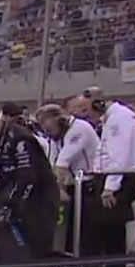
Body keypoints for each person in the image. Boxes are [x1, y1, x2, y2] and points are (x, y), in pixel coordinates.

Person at [0, 103, 60, 258]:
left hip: (41, 196)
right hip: (19, 193)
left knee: (35, 244)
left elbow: (28, 176)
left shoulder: (20, 138)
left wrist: (11, 205)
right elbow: (5, 176)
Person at [85, 89, 135, 267]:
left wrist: (110, 187)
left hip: (119, 177)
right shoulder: (120, 117)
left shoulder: (118, 120)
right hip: (118, 176)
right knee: (110, 233)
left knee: (109, 232)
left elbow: (119, 155)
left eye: (86, 109)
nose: (87, 114)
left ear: (98, 104)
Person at [36, 104, 99, 253]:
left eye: (46, 122)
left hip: (89, 182)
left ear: (57, 119)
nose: (44, 128)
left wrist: (56, 189)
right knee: (70, 231)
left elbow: (63, 162)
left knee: (85, 232)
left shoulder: (79, 129)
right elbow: (51, 162)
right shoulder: (56, 136)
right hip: (72, 184)